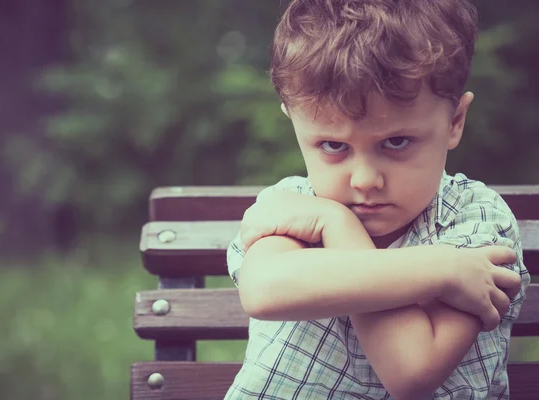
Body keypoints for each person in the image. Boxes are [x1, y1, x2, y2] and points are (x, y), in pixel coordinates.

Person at [223, 0, 531, 399]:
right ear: (294, 121)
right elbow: (263, 291)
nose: (365, 180)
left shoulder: (474, 221)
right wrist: (436, 268)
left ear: (455, 121)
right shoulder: (295, 204)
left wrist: (338, 230)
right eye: (333, 145)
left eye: (396, 142)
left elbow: (411, 373)